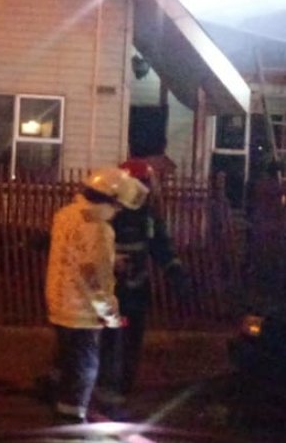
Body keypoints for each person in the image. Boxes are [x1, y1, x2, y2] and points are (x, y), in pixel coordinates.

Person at [43, 166, 147, 425]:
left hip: (60, 303)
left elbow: (76, 257)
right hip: (82, 312)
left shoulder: (67, 215)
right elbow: (94, 279)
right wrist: (110, 314)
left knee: (68, 363)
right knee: (85, 367)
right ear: (109, 201)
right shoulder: (99, 229)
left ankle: (62, 406)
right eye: (118, 206)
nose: (119, 212)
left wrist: (111, 259)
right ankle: (71, 420)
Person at [94, 159, 187, 419]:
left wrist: (174, 270)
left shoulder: (147, 215)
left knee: (132, 341)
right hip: (108, 292)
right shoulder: (108, 212)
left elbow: (160, 245)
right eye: (143, 183)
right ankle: (104, 393)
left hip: (136, 291)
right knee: (108, 340)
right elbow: (92, 248)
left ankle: (121, 391)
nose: (146, 188)